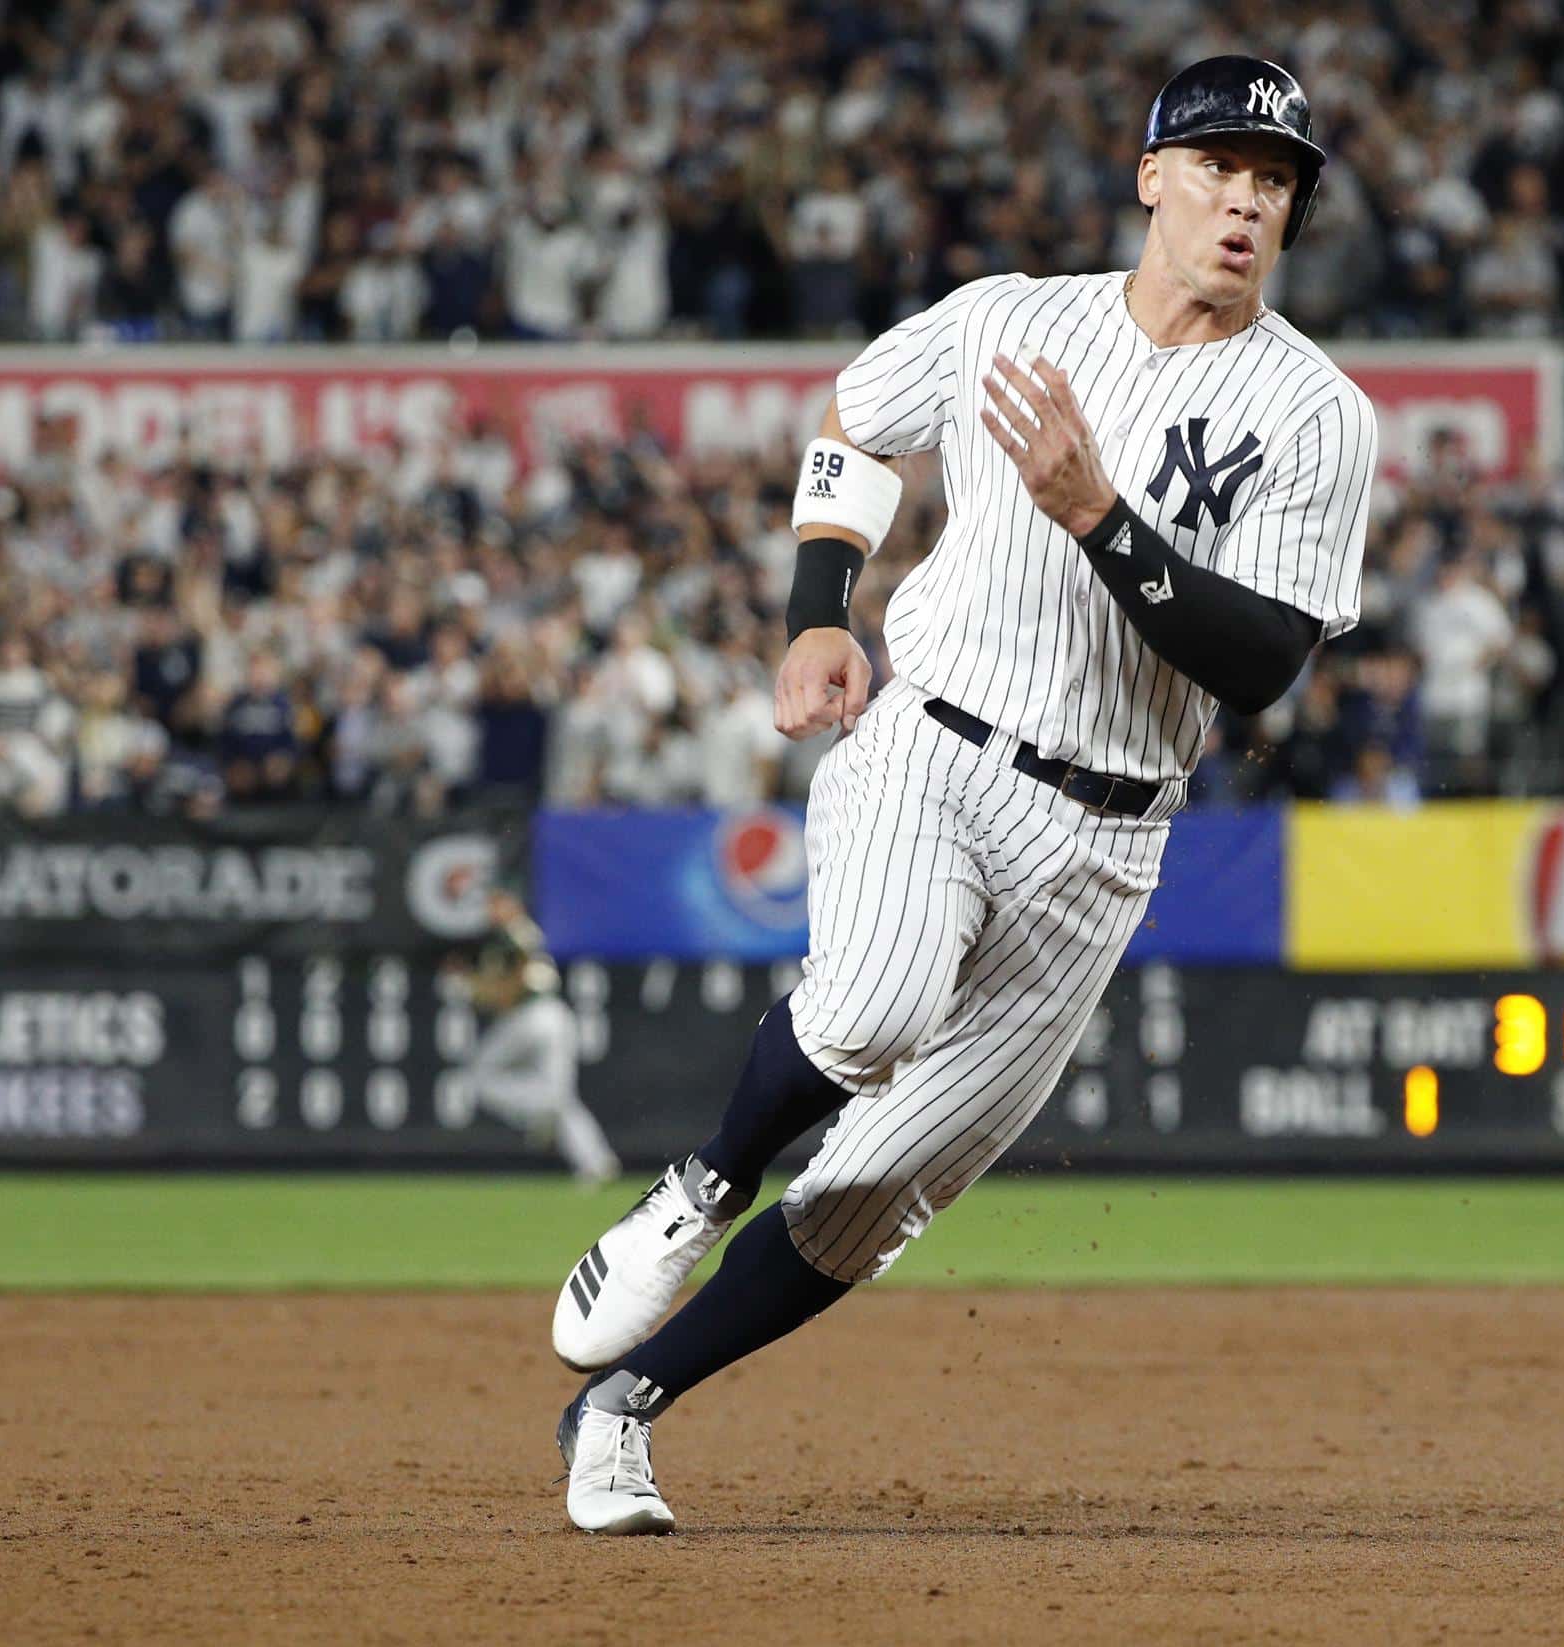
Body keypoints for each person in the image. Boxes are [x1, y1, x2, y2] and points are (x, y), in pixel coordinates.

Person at [549, 57, 1377, 1534]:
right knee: (865, 1001)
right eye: (1220, 165)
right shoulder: (1011, 317)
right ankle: (696, 1180)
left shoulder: (1316, 414)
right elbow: (859, 420)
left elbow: (1259, 661)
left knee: (880, 1192)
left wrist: (1103, 519)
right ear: (1151, 178)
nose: (1248, 199)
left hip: (1109, 836)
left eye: (1277, 180)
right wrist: (819, 602)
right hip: (935, 740)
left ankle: (620, 1406)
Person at [443, 889, 620, 1187]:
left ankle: (545, 1118)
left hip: (534, 1016)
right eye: (491, 904)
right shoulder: (510, 937)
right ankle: (596, 1162)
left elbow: (508, 991)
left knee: (479, 1079)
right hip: (545, 1016)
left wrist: (468, 985)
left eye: (497, 903)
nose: (491, 910)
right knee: (559, 1097)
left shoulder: (515, 935)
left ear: (513, 904)